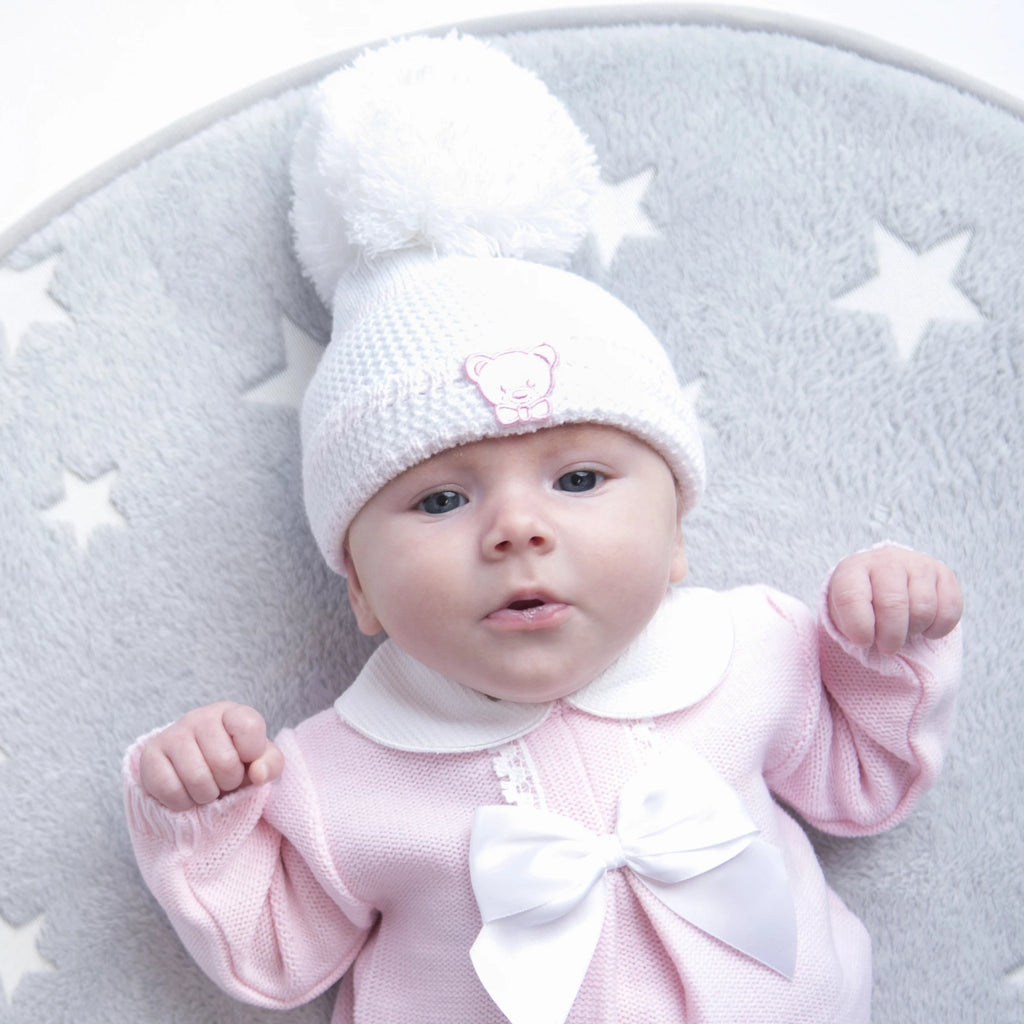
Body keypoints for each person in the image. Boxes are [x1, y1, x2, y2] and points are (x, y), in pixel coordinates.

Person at [123, 34, 962, 1024]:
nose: (516, 527)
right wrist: (202, 815)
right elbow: (275, 953)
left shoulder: (749, 652)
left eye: (576, 478)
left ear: (678, 533)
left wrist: (881, 645)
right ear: (358, 586)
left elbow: (862, 783)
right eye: (441, 499)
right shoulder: (337, 772)